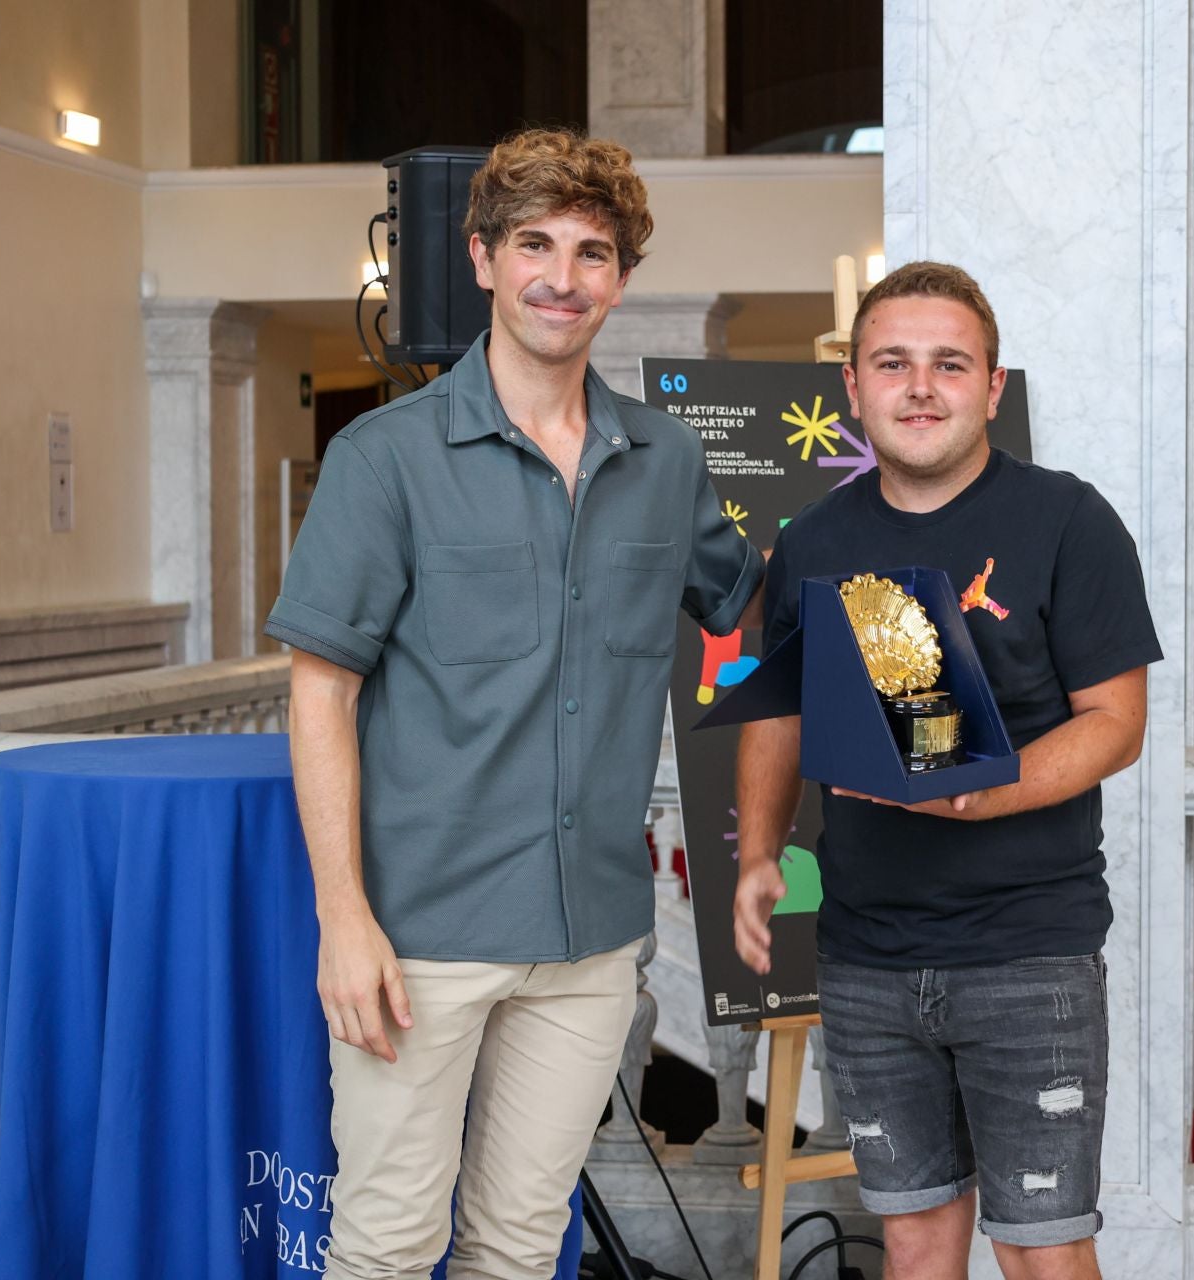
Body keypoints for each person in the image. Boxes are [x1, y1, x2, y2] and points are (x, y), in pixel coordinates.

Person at [266, 128, 764, 1280]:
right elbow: (321, 694)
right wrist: (345, 918)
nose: (563, 275)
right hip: (420, 937)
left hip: (591, 937)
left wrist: (915, 509)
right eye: (534, 243)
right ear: (482, 257)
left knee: (520, 1245)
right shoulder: (383, 460)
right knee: (387, 1244)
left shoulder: (667, 459)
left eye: (593, 253)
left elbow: (759, 607)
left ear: (622, 280)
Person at [731, 262, 1161, 1280]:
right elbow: (780, 710)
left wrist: (984, 789)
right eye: (893, 361)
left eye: (948, 363)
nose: (921, 386)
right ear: (853, 387)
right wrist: (756, 851)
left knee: (1042, 1247)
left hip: (1029, 956)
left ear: (993, 387)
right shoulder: (816, 541)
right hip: (869, 956)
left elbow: (1117, 721)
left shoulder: (1068, 520)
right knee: (917, 1243)